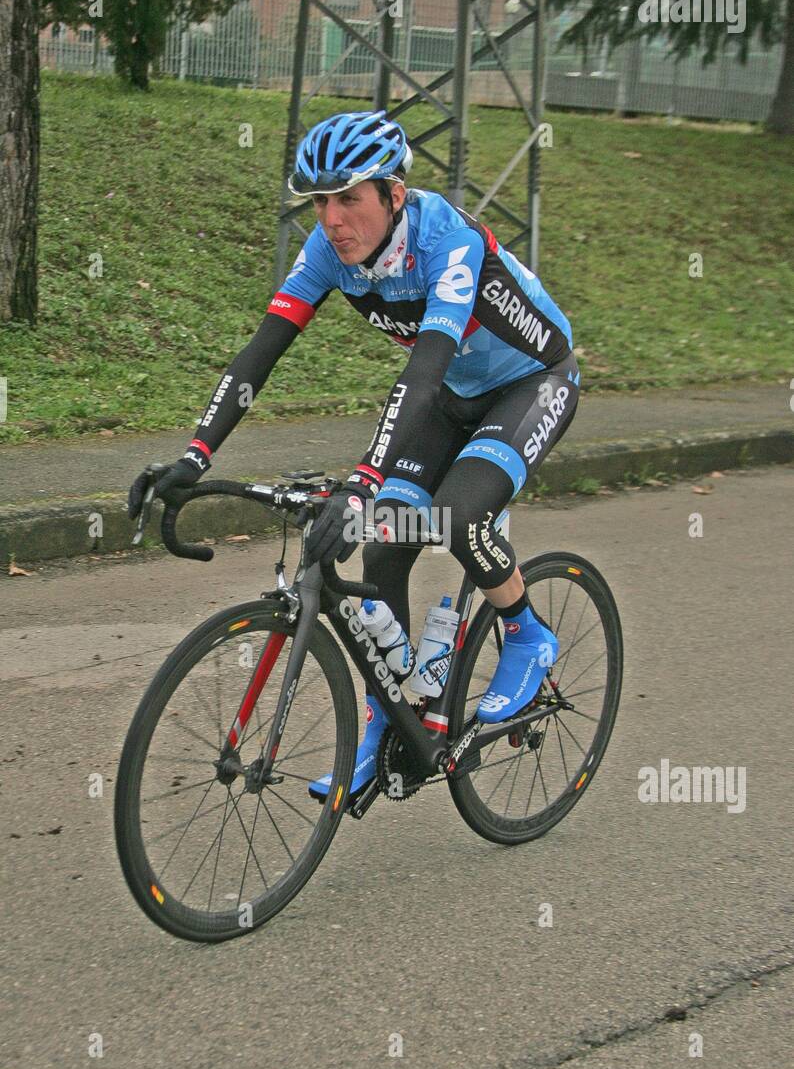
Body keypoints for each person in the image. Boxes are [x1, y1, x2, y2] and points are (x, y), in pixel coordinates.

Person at [128, 109, 580, 801]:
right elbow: (260, 354)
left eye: (348, 198)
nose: (332, 218)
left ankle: (525, 634)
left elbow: (422, 375)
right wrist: (194, 455)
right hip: (456, 394)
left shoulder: (449, 243)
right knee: (383, 544)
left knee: (455, 517)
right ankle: (387, 720)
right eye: (319, 200)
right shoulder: (324, 251)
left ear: (394, 195)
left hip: (530, 384)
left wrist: (364, 479)